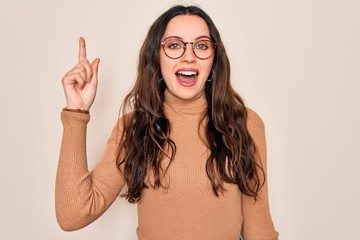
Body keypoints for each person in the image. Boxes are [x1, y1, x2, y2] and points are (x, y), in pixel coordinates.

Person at [56, 5, 279, 240]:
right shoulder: (133, 129)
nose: (189, 56)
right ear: (157, 58)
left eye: (201, 45)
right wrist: (76, 112)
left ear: (214, 60)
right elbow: (74, 215)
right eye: (174, 45)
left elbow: (259, 231)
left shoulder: (246, 125)